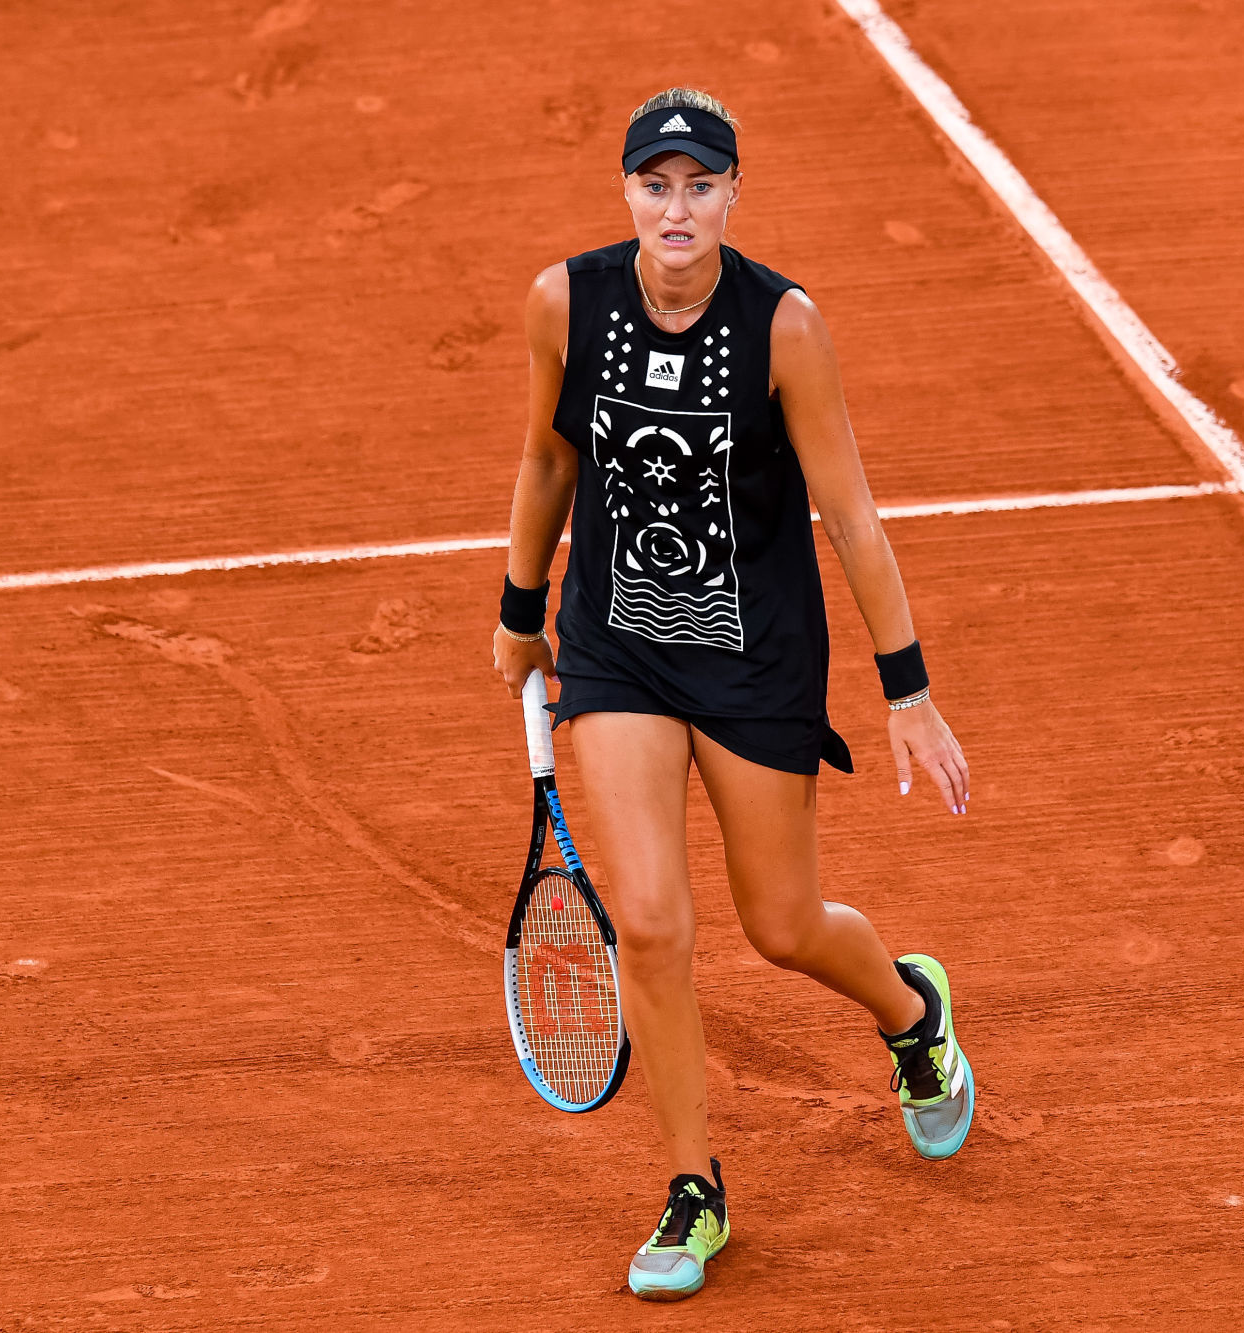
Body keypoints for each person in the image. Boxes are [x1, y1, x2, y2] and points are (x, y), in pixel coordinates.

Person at [490, 87, 974, 1302]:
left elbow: (848, 516)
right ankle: (690, 1186)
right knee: (651, 923)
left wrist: (907, 690)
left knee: (782, 924)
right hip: (617, 650)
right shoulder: (565, 303)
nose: (676, 209)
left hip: (756, 658)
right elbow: (549, 455)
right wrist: (517, 607)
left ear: (731, 195)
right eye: (654, 186)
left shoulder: (781, 326)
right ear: (626, 193)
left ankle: (909, 1012)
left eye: (699, 186)